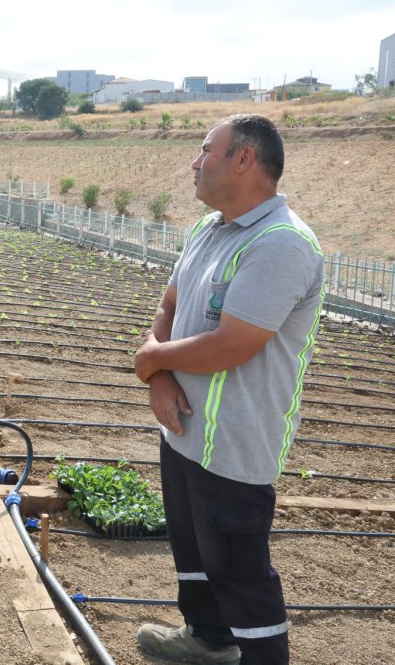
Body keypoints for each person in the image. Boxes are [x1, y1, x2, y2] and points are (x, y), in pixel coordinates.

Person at [132, 114, 323, 665]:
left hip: (236, 443)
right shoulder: (208, 229)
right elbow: (169, 306)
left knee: (240, 572)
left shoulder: (281, 243)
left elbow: (234, 344)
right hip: (185, 431)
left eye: (205, 150)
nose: (195, 162)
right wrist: (159, 376)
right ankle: (207, 640)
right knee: (193, 552)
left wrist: (149, 360)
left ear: (243, 159)